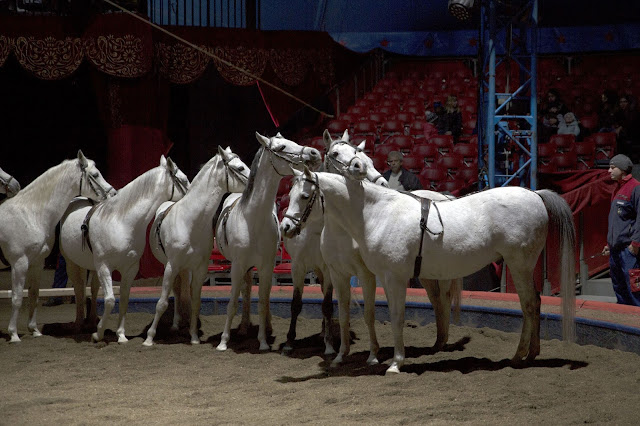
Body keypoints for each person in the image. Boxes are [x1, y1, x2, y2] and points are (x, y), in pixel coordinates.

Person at [602, 154, 640, 306]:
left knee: (634, 291)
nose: (609, 171)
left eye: (613, 168)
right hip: (615, 250)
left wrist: (635, 245)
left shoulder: (635, 188)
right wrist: (609, 244)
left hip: (628, 251)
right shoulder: (617, 189)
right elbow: (616, 222)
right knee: (619, 289)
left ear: (623, 170)